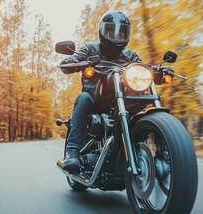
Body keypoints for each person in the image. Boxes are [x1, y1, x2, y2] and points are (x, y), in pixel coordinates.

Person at [58, 11, 142, 173]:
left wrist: (159, 71)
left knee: (143, 102)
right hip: (95, 99)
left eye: (122, 32)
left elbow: (143, 67)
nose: (117, 36)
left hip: (124, 101)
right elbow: (75, 59)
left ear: (127, 34)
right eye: (112, 31)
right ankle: (73, 152)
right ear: (103, 31)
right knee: (82, 98)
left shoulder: (130, 55)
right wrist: (72, 61)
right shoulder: (90, 48)